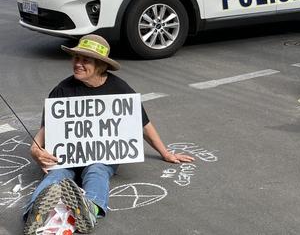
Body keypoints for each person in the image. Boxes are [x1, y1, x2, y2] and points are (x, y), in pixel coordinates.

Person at [23, 35, 194, 234]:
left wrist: (166, 153)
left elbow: (143, 124)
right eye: (76, 58)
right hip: (68, 155)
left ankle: (89, 210)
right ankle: (34, 214)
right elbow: (47, 128)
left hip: (101, 154)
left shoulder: (119, 89)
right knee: (57, 175)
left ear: (101, 66)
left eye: (85, 60)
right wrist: (35, 148)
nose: (78, 63)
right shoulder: (62, 90)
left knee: (97, 171)